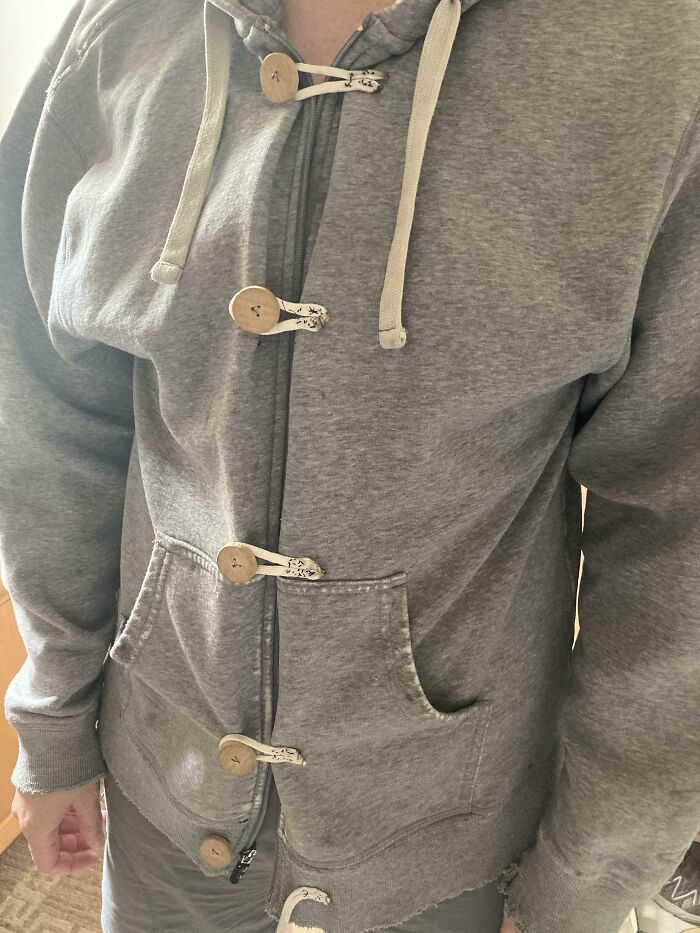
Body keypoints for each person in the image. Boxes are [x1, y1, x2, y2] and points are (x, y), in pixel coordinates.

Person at [0, 0, 699, 931]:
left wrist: (588, 874)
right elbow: (45, 408)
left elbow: (676, 526)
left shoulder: (659, 55)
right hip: (163, 793)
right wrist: (54, 716)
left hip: (452, 843)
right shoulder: (119, 27)